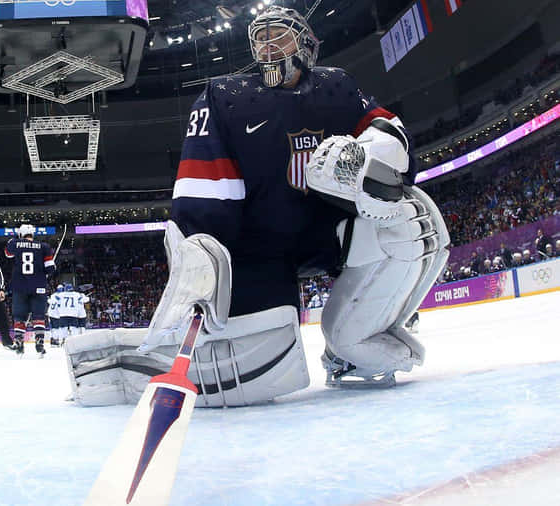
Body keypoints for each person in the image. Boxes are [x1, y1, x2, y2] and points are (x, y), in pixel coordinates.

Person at [65, 6, 449, 407]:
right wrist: (199, 248)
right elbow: (205, 188)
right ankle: (115, 367)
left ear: (305, 43)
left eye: (277, 35)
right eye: (260, 38)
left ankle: (353, 350)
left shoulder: (337, 87)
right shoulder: (227, 97)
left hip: (331, 232)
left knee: (408, 220)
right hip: (259, 246)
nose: (266, 45)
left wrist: (361, 158)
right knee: (260, 370)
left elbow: (392, 138)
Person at [5, 224, 55, 357]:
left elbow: (7, 253)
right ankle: (39, 343)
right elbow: (50, 268)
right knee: (38, 315)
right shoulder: (44, 247)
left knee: (19, 316)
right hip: (38, 286)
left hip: (20, 286)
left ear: (21, 234)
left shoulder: (15, 243)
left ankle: (19, 343)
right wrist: (46, 271)